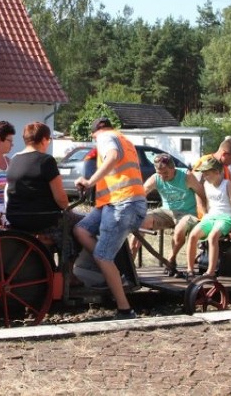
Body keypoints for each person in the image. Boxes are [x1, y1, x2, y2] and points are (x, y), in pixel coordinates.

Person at [74, 117, 147, 320]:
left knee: (103, 256)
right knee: (81, 229)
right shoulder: (124, 139)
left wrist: (90, 181)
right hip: (114, 202)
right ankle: (111, 273)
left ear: (94, 132)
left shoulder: (106, 137)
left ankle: (125, 309)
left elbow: (112, 157)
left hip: (123, 204)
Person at [5, 122, 82, 266]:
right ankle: (69, 273)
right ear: (44, 139)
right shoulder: (46, 161)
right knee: (82, 222)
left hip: (16, 217)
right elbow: (62, 200)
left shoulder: (14, 159)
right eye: (49, 139)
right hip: (41, 219)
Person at [131, 153, 207, 275]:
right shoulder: (156, 178)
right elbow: (141, 194)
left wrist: (205, 214)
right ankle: (129, 264)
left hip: (187, 213)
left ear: (173, 168)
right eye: (159, 173)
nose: (162, 176)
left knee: (179, 230)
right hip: (166, 211)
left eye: (165, 173)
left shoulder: (186, 176)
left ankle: (171, 260)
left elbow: (201, 194)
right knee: (141, 222)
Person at [184, 156, 231, 278]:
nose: (204, 177)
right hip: (211, 217)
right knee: (193, 235)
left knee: (212, 237)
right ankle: (190, 269)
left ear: (217, 172)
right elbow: (209, 203)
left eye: (207, 174)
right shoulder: (206, 184)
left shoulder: (227, 184)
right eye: (203, 174)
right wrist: (205, 216)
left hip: (225, 218)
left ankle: (210, 272)